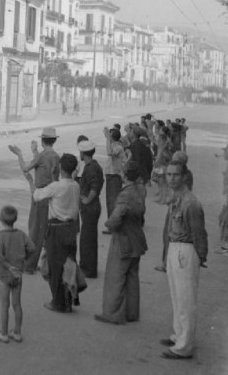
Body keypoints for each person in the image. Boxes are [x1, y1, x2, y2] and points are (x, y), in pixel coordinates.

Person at [160, 162, 208, 360]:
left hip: (186, 250)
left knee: (186, 299)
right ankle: (178, 335)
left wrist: (200, 256)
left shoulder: (190, 202)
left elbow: (199, 233)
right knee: (177, 297)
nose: (171, 178)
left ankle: (184, 346)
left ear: (184, 177)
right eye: (169, 175)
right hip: (174, 247)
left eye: (175, 175)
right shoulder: (177, 199)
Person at [94, 161, 148, 325]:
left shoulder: (125, 194)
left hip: (123, 237)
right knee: (132, 276)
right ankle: (132, 313)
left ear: (124, 175)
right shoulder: (140, 190)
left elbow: (117, 217)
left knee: (115, 276)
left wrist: (109, 224)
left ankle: (113, 313)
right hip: (137, 238)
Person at [26, 153, 80, 313]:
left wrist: (30, 181)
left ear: (60, 168)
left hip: (57, 229)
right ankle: (69, 299)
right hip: (71, 228)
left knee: (55, 267)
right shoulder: (75, 185)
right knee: (69, 265)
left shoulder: (56, 187)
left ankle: (58, 302)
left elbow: (36, 196)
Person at [9, 127, 60, 274]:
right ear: (54, 140)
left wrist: (19, 154)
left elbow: (26, 167)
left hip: (39, 195)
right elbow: (43, 165)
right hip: (52, 194)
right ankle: (47, 264)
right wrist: (34, 151)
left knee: (35, 230)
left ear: (42, 140)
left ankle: (30, 266)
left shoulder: (42, 155)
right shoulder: (55, 155)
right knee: (47, 229)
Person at [0, 205, 35, 344]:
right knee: (17, 304)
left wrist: (9, 267)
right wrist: (23, 261)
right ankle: (17, 333)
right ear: (15, 219)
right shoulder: (21, 234)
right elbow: (32, 248)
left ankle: (4, 334)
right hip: (18, 275)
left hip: (4, 276)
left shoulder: (1, 236)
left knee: (5, 304)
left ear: (0, 219)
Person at [77, 140, 104, 278]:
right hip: (93, 207)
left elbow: (94, 186)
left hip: (90, 207)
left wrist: (87, 199)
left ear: (83, 153)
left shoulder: (90, 168)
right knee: (89, 238)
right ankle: (88, 267)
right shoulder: (94, 165)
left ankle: (88, 269)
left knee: (87, 239)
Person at [103, 126, 125, 233]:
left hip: (115, 176)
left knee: (113, 202)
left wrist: (107, 138)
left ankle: (113, 226)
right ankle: (111, 225)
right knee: (109, 201)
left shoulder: (118, 147)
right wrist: (107, 136)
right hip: (111, 176)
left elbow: (109, 152)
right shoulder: (114, 145)